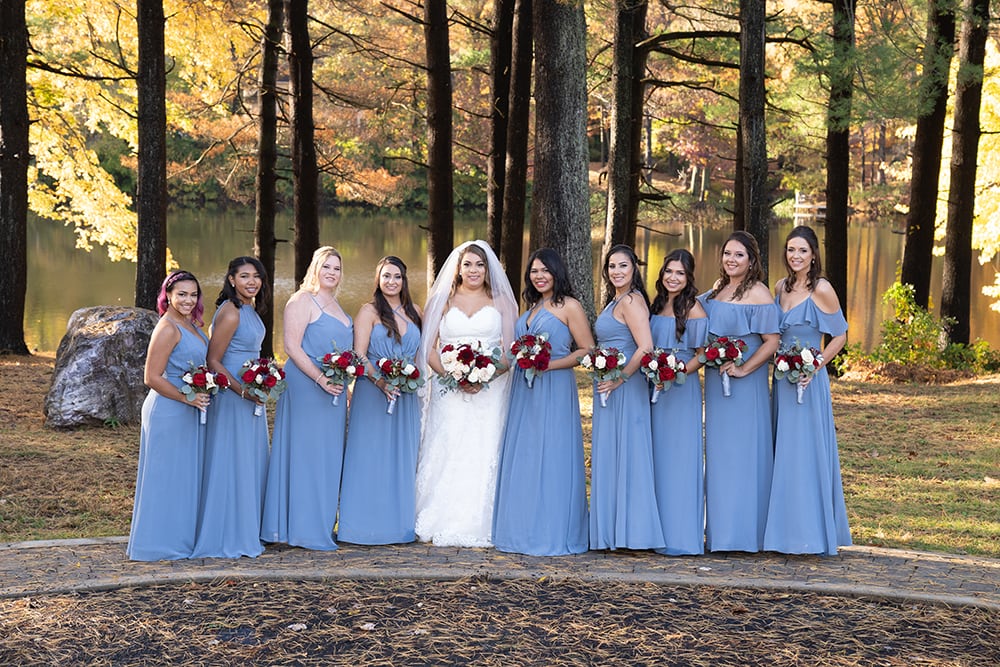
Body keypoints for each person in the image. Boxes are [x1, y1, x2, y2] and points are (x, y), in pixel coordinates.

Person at [415, 240, 517, 547]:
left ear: (489, 270)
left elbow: (511, 351)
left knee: (484, 449)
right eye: (468, 264)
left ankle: (484, 521)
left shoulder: (502, 302)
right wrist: (453, 375)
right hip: (449, 389)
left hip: (490, 390)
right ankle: (440, 516)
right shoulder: (442, 300)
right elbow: (428, 347)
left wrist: (485, 375)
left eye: (480, 265)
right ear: (458, 269)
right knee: (448, 447)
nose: (473, 270)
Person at [492, 248, 595, 556]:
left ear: (556, 273)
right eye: (534, 271)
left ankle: (552, 531)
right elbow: (511, 356)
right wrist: (477, 372)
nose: (539, 276)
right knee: (525, 456)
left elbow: (586, 350)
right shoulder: (533, 307)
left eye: (544, 271)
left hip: (554, 387)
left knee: (552, 454)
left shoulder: (569, 306)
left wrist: (549, 364)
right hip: (525, 391)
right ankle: (522, 528)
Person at [764, 225, 852, 555]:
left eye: (802, 250)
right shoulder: (780, 287)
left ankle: (809, 534)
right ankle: (781, 532)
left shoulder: (822, 289)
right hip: (781, 382)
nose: (796, 256)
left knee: (803, 453)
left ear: (814, 254)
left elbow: (840, 336)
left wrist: (815, 366)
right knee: (782, 451)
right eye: (790, 250)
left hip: (807, 382)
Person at [260, 246, 352, 550]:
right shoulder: (302, 300)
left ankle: (321, 523)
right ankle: (299, 528)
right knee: (305, 453)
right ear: (315, 267)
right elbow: (291, 347)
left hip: (334, 392)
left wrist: (343, 383)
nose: (331, 273)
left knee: (327, 455)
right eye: (326, 266)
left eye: (336, 268)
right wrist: (321, 378)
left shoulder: (337, 305)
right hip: (307, 386)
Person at [699, 230, 780, 552]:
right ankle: (720, 533)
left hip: (747, 388)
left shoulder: (759, 293)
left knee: (744, 455)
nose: (731, 260)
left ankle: (746, 534)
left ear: (751, 261)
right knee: (720, 455)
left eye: (739, 255)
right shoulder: (718, 289)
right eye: (727, 254)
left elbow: (772, 341)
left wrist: (745, 368)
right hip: (718, 386)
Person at [338, 256, 424, 545]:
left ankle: (398, 525)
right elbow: (359, 354)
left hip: (406, 394)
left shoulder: (416, 313)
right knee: (369, 455)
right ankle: (361, 527)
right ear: (378, 279)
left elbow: (418, 356)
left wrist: (410, 376)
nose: (391, 281)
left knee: (401, 455)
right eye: (386, 276)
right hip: (373, 391)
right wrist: (381, 381)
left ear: (404, 280)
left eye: (397, 276)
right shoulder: (369, 311)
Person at [127, 270, 210, 561]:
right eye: (182, 294)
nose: (188, 300)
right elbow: (151, 377)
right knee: (165, 476)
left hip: (189, 408)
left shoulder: (194, 325)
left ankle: (182, 539)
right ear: (169, 296)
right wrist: (187, 397)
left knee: (184, 477)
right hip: (168, 409)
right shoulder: (167, 328)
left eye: (193, 294)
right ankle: (157, 545)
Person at [191, 257, 270, 559]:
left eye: (257, 276)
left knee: (247, 460)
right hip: (233, 395)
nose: (252, 282)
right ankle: (228, 533)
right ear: (232, 280)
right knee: (232, 460)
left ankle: (247, 526)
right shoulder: (231, 311)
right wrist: (244, 390)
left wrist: (262, 380)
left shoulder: (248, 308)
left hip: (251, 392)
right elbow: (213, 360)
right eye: (245, 276)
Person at [589, 244, 665, 551]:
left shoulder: (632, 301)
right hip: (611, 387)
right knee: (613, 454)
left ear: (634, 268)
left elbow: (645, 347)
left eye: (623, 265)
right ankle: (612, 530)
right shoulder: (616, 300)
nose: (616, 271)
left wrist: (620, 377)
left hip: (625, 388)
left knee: (629, 452)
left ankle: (632, 532)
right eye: (611, 266)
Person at [649, 249, 709, 555]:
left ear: (688, 278)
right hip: (655, 388)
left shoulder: (694, 309)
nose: (673, 278)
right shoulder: (657, 304)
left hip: (681, 390)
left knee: (679, 459)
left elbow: (702, 353)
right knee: (657, 458)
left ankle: (681, 536)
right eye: (669, 271)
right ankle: (654, 531)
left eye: (680, 273)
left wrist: (678, 371)